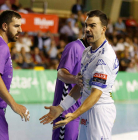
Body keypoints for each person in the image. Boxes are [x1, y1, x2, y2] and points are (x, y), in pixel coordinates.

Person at [39, 10, 119, 140]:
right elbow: (81, 85)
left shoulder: (105, 56)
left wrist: (75, 114)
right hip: (86, 108)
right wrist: (61, 108)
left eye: (92, 25)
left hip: (99, 111)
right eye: (86, 25)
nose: (87, 29)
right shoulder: (87, 52)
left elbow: (96, 93)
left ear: (103, 29)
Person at [40, 30, 89, 139]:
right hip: (66, 112)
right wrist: (75, 79)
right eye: (88, 26)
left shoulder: (94, 53)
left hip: (82, 112)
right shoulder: (74, 47)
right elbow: (61, 73)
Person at [0, 10, 30, 140]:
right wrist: (14, 105)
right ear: (5, 26)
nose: (20, 30)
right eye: (16, 26)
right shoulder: (2, 47)